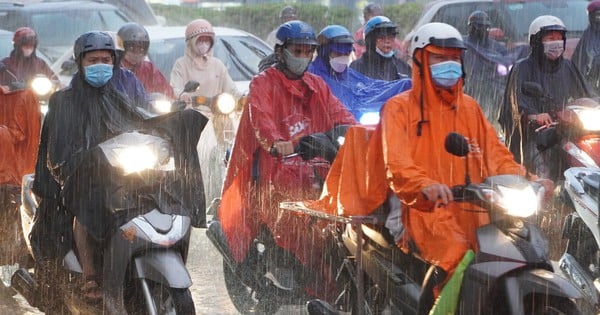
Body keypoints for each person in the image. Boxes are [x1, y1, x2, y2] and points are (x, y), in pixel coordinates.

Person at [380, 22, 542, 314]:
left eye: (454, 58)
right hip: (422, 207)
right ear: (419, 60)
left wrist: (528, 179)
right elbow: (398, 163)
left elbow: (496, 154)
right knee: (458, 256)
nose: (449, 65)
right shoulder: (398, 108)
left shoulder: (469, 107)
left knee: (510, 255)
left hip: (474, 205)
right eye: (439, 58)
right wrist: (424, 185)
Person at [39, 31, 206, 302]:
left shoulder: (118, 93)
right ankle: (91, 276)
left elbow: (140, 117)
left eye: (106, 59)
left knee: (162, 195)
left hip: (119, 169)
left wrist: (172, 121)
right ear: (80, 62)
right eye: (93, 60)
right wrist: (86, 159)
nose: (100, 65)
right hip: (83, 175)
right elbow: (58, 151)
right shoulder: (64, 100)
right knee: (86, 207)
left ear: (114, 62)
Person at [218, 20, 357, 301]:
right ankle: (312, 282)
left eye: (309, 51)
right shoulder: (262, 84)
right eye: (298, 50)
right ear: (281, 52)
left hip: (318, 166)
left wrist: (356, 133)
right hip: (277, 171)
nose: (303, 56)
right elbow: (262, 124)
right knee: (303, 222)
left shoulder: (317, 84)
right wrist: (280, 144)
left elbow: (343, 116)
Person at [499, 15, 594, 181]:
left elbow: (585, 93)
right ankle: (543, 196)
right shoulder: (522, 67)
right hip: (536, 134)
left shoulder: (567, 66)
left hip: (566, 128)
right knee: (542, 165)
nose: (556, 43)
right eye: (550, 38)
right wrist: (534, 116)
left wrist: (588, 107)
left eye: (559, 38)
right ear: (537, 41)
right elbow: (516, 102)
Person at [308, 24, 411, 122]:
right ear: (325, 53)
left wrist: (404, 85)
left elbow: (375, 87)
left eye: (346, 54)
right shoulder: (311, 76)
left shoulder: (350, 75)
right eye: (338, 53)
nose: (343, 58)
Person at [462, 10, 515, 131]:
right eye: (476, 26)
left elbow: (507, 65)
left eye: (483, 27)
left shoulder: (496, 47)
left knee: (493, 125)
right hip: (470, 90)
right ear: (470, 27)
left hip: (493, 91)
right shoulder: (462, 45)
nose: (479, 29)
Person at [117, 22, 175, 99]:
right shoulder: (113, 69)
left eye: (141, 49)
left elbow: (168, 93)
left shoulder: (149, 68)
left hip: (149, 110)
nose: (136, 53)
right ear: (121, 47)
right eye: (131, 48)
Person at [350, 15, 411, 81]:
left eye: (391, 36)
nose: (387, 41)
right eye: (382, 36)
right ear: (370, 40)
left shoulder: (403, 67)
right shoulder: (357, 67)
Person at [0, 27, 57, 92]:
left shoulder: (40, 63)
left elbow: (54, 79)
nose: (28, 48)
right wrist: (10, 87)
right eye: (25, 46)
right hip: (12, 100)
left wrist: (55, 83)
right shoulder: (5, 64)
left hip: (37, 99)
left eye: (31, 45)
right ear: (17, 46)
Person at [572, 0, 600, 90]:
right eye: (597, 15)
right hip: (593, 90)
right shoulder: (587, 36)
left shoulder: (587, 35)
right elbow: (578, 64)